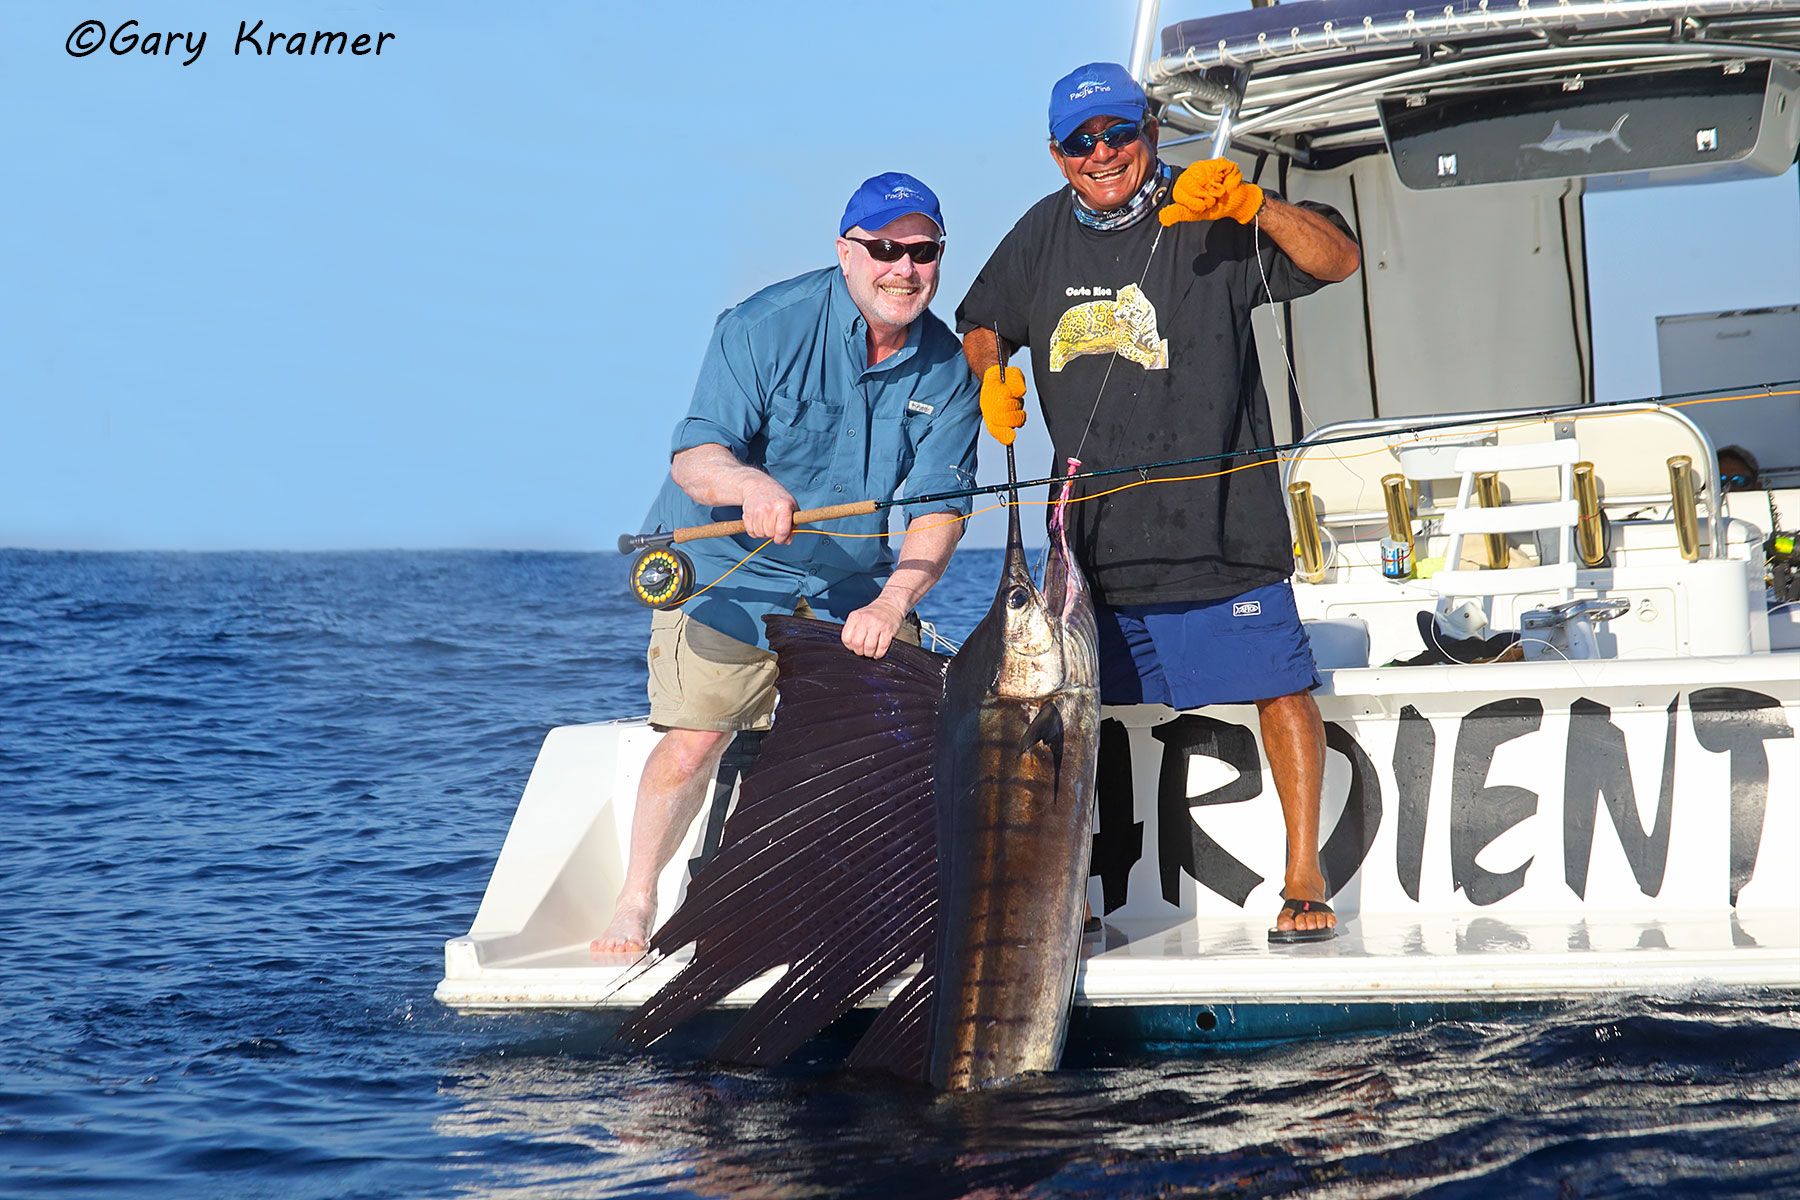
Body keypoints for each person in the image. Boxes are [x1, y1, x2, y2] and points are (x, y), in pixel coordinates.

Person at [957, 63, 1362, 944]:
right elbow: (981, 317)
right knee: (1068, 717)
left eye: (1118, 134)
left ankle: (1304, 872)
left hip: (1223, 521)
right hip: (1095, 546)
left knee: (1280, 685)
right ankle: (1077, 893)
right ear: (1057, 154)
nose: (1103, 155)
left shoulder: (1209, 206)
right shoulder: (1039, 234)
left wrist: (1257, 208)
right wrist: (993, 374)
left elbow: (1340, 260)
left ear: (1148, 128)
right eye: (1081, 142)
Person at [591, 173, 982, 955]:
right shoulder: (761, 326)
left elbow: (940, 508)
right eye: (883, 249)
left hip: (848, 584)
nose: (903, 268)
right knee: (696, 738)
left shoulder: (949, 366)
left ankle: (867, 900)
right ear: (846, 252)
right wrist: (749, 485)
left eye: (923, 250)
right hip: (725, 573)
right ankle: (636, 900)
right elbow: (696, 458)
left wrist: (894, 602)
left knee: (921, 730)